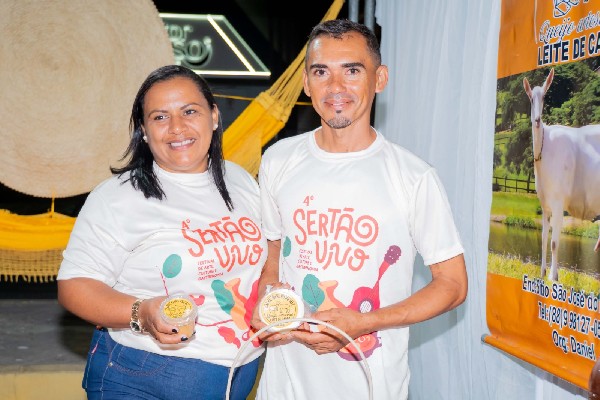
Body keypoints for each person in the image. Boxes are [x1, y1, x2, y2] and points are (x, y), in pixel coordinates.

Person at [250, 19, 468, 400]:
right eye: (321, 72)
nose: (335, 87)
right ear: (306, 83)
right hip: (285, 387)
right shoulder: (277, 161)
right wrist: (267, 300)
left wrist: (364, 322)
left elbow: (453, 285)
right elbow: (273, 253)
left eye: (352, 71)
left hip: (371, 387)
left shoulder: (414, 177)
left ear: (379, 79)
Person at [57, 65, 267, 400]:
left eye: (190, 111)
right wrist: (142, 313)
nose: (177, 127)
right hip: (145, 374)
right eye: (160, 117)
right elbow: (74, 286)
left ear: (214, 116)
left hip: (237, 372)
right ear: (143, 130)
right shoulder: (117, 196)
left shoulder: (240, 180)